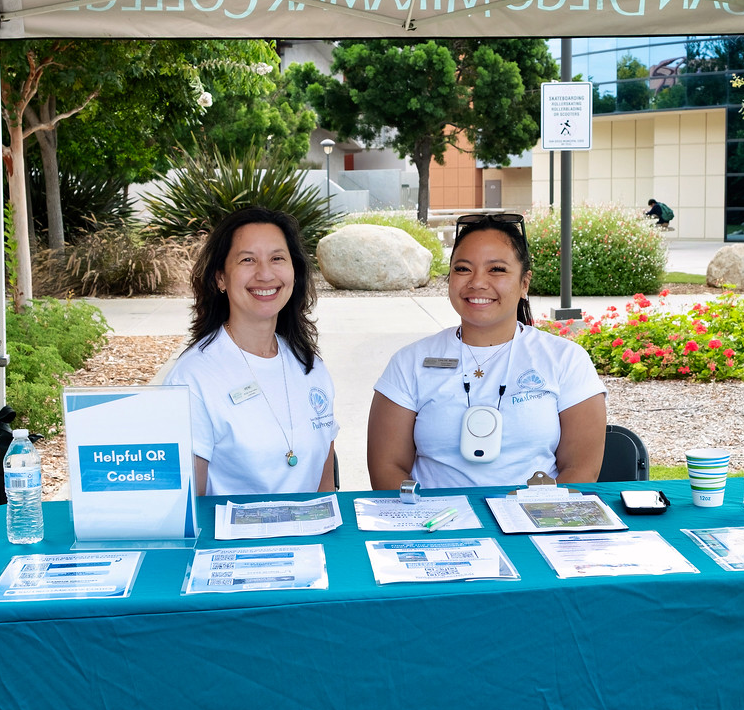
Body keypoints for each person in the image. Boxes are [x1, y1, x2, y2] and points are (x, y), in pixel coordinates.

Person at [367, 212, 606, 489]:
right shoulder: (410, 362)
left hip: (533, 520)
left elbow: (580, 469)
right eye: (463, 269)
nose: (477, 282)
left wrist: (529, 518)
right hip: (437, 526)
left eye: (497, 269)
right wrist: (429, 519)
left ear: (524, 283)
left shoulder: (565, 359)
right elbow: (387, 469)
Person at [168, 206, 339, 496]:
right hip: (231, 541)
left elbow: (324, 487)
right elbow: (187, 506)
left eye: (277, 258)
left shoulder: (309, 366)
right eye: (248, 259)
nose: (264, 273)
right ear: (220, 278)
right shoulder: (193, 377)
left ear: (294, 272)